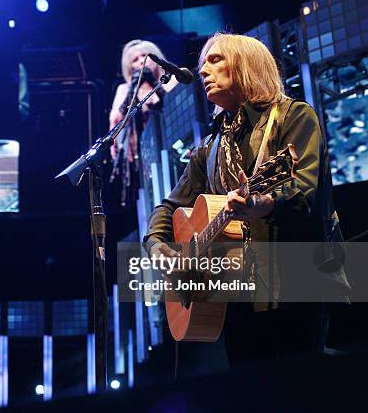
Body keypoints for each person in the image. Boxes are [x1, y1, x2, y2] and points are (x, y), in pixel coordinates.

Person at [143, 33, 349, 364]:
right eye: (202, 65)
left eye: (215, 60)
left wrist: (261, 205)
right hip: (236, 293)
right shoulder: (208, 149)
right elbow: (168, 207)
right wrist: (158, 246)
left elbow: (304, 191)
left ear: (246, 65)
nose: (203, 71)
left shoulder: (293, 117)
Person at [109, 39, 177, 205]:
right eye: (135, 59)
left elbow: (175, 106)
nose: (141, 61)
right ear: (130, 67)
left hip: (173, 145)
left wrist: (155, 85)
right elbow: (116, 120)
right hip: (142, 153)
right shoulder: (124, 89)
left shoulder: (172, 80)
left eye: (145, 56)